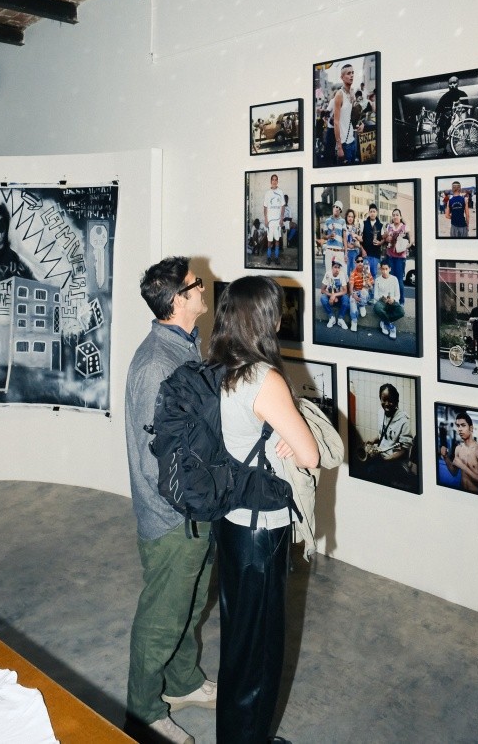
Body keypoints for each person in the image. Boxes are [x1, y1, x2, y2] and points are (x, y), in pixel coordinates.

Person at [207, 276, 319, 744]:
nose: (280, 319)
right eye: (275, 311)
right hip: (261, 529)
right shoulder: (264, 379)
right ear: (262, 318)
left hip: (231, 518)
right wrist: (292, 438)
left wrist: (279, 437)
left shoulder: (219, 366)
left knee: (239, 643)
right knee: (261, 651)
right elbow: (310, 454)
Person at [124, 258, 215, 744]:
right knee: (162, 618)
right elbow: (151, 459)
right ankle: (142, 712)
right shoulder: (156, 365)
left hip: (196, 509)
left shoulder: (184, 344)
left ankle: (182, 682)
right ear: (179, 300)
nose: (204, 288)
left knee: (190, 604)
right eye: (196, 284)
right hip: (173, 519)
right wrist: (185, 509)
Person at [360, 383, 414, 487]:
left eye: (390, 400)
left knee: (372, 473)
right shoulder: (381, 413)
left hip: (396, 461)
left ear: (396, 401)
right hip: (382, 456)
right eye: (383, 400)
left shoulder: (403, 421)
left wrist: (386, 459)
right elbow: (384, 435)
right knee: (363, 468)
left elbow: (403, 450)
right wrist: (373, 440)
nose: (386, 404)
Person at [440, 412, 478, 494]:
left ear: (471, 428)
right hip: (462, 494)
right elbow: (454, 472)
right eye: (458, 426)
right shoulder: (458, 449)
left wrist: (463, 466)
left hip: (477, 497)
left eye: (463, 425)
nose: (459, 429)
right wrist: (445, 457)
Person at [333, 63, 359, 164]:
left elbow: (350, 118)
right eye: (348, 73)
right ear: (342, 77)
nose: (352, 75)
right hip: (344, 144)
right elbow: (336, 122)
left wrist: (359, 124)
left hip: (352, 140)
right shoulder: (339, 94)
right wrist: (339, 147)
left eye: (352, 73)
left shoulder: (351, 93)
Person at [382, 207, 409, 305]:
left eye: (397, 215)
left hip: (400, 258)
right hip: (390, 256)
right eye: (393, 215)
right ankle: (391, 301)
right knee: (390, 279)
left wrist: (404, 246)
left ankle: (401, 301)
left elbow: (410, 241)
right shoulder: (389, 226)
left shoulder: (404, 227)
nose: (395, 217)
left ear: (400, 216)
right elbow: (384, 238)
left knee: (399, 280)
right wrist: (386, 238)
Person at [372, 258, 404, 340]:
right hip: (381, 302)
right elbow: (375, 296)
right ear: (380, 269)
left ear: (390, 269)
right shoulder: (377, 280)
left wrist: (393, 300)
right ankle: (391, 326)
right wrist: (382, 298)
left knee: (401, 312)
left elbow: (398, 295)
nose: (384, 271)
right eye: (383, 269)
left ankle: (384, 322)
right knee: (377, 308)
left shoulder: (394, 279)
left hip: (391, 302)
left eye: (386, 269)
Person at [435, 75, 467, 151]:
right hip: (447, 118)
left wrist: (460, 111)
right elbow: (438, 109)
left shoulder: (462, 94)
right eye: (450, 83)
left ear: (457, 83)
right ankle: (445, 147)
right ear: (448, 85)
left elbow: (466, 107)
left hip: (458, 117)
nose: (452, 85)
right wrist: (437, 121)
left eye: (454, 83)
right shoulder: (444, 96)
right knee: (443, 125)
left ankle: (454, 145)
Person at [320, 260, 349, 330]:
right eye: (335, 267)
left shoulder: (341, 274)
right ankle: (331, 317)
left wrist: (334, 295)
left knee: (346, 298)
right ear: (332, 267)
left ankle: (340, 319)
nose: (337, 269)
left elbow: (345, 291)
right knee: (323, 298)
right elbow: (322, 290)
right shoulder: (328, 274)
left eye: (338, 267)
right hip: (330, 298)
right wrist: (331, 295)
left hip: (339, 297)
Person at [263, 174, 285, 265]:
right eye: (273, 180)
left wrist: (282, 218)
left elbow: (283, 206)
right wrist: (266, 219)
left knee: (277, 240)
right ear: (271, 181)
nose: (274, 181)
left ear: (277, 181)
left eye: (276, 180)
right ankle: (268, 257)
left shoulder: (280, 192)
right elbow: (265, 207)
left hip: (278, 221)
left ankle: (276, 257)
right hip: (270, 221)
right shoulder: (267, 193)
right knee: (269, 241)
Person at [348, 255, 372, 332]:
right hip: (355, 291)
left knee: (364, 291)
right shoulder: (353, 273)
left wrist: (368, 283)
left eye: (362, 261)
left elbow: (371, 285)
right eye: (358, 261)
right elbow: (351, 287)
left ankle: (362, 305)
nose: (360, 263)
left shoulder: (366, 271)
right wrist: (353, 294)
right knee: (352, 299)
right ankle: (354, 321)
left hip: (364, 291)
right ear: (355, 262)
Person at [321, 200, 346, 272]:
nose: (336, 208)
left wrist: (346, 253)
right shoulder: (327, 220)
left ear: (340, 210)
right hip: (329, 249)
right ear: (333, 208)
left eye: (338, 208)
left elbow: (344, 238)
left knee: (340, 272)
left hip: (339, 250)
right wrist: (329, 236)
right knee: (329, 273)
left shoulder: (343, 221)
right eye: (335, 207)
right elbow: (323, 236)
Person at [361, 202, 383, 286]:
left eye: (374, 211)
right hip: (366, 254)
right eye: (371, 211)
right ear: (369, 212)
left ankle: (373, 293)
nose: (372, 213)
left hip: (375, 255)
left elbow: (383, 239)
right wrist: (362, 250)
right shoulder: (364, 223)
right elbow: (360, 238)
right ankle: (366, 293)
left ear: (376, 212)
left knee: (373, 275)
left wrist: (380, 242)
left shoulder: (380, 225)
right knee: (366, 275)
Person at [344, 207, 362, 278]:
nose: (350, 218)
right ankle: (348, 285)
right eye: (349, 216)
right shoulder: (344, 227)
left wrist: (354, 244)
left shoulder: (356, 228)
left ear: (354, 218)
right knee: (346, 271)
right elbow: (343, 239)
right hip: (347, 252)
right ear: (346, 217)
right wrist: (347, 245)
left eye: (352, 217)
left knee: (355, 271)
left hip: (355, 252)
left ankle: (354, 285)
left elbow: (360, 239)